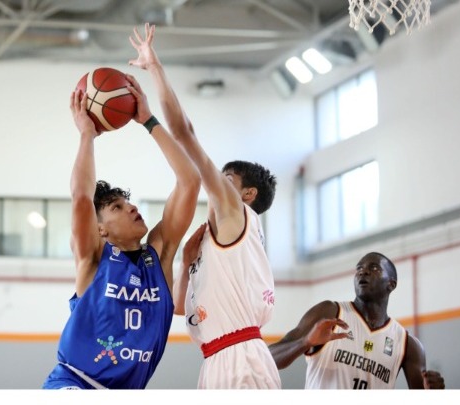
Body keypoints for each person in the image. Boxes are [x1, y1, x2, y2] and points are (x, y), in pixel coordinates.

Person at [129, 23, 281, 389]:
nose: (217, 184)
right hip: (216, 358)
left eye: (227, 179)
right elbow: (182, 308)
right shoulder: (220, 241)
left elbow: (185, 133)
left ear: (247, 195)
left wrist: (154, 70)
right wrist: (185, 263)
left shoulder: (235, 215)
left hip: (241, 358)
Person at [41, 65, 200, 388]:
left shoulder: (160, 255)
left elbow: (190, 181)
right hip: (75, 383)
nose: (132, 208)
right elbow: (81, 197)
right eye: (117, 207)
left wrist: (148, 121)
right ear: (100, 229)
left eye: (128, 203)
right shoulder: (93, 258)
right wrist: (87, 135)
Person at [268, 251, 446, 389]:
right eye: (359, 268)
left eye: (374, 268)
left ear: (391, 284)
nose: (363, 272)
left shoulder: (407, 344)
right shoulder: (330, 312)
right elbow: (268, 358)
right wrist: (305, 342)